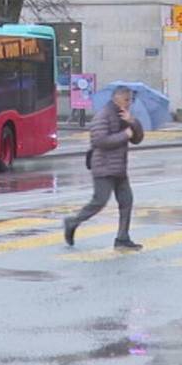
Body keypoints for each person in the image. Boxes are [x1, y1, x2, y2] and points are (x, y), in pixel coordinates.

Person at [64, 85, 145, 251]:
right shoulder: (103, 115)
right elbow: (99, 141)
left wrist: (133, 122)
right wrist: (125, 135)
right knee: (99, 201)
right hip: (104, 167)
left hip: (119, 168)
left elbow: (137, 139)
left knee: (126, 201)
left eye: (130, 100)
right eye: (126, 100)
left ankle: (122, 238)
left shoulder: (124, 116)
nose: (129, 103)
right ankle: (72, 222)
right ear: (117, 98)